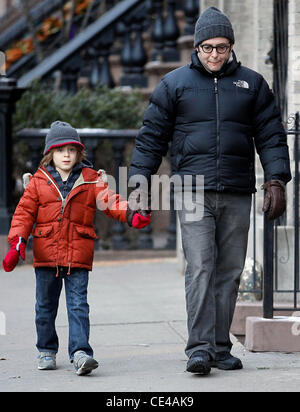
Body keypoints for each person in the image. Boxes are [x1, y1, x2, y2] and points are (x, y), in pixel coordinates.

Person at [129, 7, 291, 375]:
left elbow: (270, 135)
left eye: (220, 47)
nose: (214, 55)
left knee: (230, 270)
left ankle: (220, 346)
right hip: (191, 189)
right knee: (200, 267)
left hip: (236, 189)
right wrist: (139, 181)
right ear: (197, 48)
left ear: (231, 46)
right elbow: (151, 138)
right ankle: (199, 349)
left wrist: (276, 179)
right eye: (206, 48)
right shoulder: (174, 84)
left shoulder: (252, 84)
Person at [2, 121, 151, 376]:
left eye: (72, 150)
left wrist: (129, 213)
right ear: (51, 153)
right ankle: (47, 350)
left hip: (78, 253)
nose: (66, 155)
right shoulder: (38, 181)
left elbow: (110, 201)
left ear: (79, 153)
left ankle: (81, 353)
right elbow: (23, 214)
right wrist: (17, 243)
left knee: (78, 306)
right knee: (45, 307)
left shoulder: (92, 180)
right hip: (46, 255)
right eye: (61, 150)